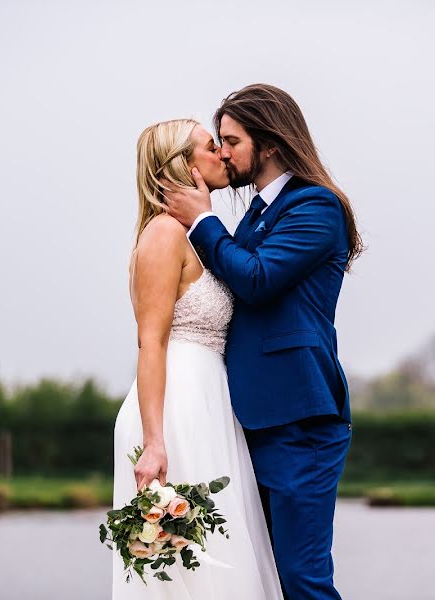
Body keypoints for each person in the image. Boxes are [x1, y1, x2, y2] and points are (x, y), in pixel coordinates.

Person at [164, 84, 363, 600]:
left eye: (231, 140)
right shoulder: (255, 214)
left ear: (269, 142)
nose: (222, 153)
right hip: (253, 418)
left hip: (300, 419)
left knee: (303, 580)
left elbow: (256, 278)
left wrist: (202, 221)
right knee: (264, 578)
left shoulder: (316, 206)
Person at [112, 118, 284, 599]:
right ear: (185, 165)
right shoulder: (164, 234)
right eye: (212, 146)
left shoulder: (200, 236)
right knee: (188, 567)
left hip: (213, 406)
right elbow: (151, 342)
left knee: (224, 561)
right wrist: (153, 441)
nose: (223, 154)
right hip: (176, 411)